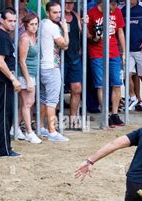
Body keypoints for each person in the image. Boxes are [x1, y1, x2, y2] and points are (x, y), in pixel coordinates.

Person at [87, 0, 126, 128]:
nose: (113, 9)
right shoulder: (92, 13)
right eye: (111, 6)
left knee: (117, 83)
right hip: (97, 53)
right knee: (101, 85)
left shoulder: (117, 11)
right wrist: (94, 38)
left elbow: (120, 32)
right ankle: (106, 114)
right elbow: (87, 34)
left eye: (114, 6)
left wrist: (124, 52)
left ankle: (114, 114)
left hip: (113, 52)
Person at [39, 1, 70, 141]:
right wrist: (65, 29)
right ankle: (52, 131)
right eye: (55, 12)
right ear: (48, 12)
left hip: (43, 66)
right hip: (51, 67)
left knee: (43, 99)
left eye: (59, 12)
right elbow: (64, 44)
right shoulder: (52, 26)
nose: (58, 15)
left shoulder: (43, 23)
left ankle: (41, 128)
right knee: (52, 101)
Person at [0, 8, 22, 158]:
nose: (12, 24)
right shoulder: (3, 37)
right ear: (2, 21)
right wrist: (13, 79)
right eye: (9, 21)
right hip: (2, 81)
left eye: (14, 21)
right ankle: (4, 149)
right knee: (4, 115)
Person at [17, 13, 42, 144]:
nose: (34, 27)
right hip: (25, 74)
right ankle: (29, 132)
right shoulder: (25, 38)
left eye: (36, 24)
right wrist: (28, 80)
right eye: (31, 24)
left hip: (32, 73)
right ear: (26, 25)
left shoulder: (34, 37)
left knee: (27, 103)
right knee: (27, 104)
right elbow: (22, 61)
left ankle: (14, 128)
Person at [64, 0, 83, 130]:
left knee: (77, 89)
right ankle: (54, 120)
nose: (69, 5)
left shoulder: (76, 16)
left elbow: (83, 33)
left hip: (75, 57)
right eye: (67, 2)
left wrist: (85, 23)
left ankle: (72, 118)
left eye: (72, 2)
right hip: (60, 58)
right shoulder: (56, 16)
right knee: (57, 91)